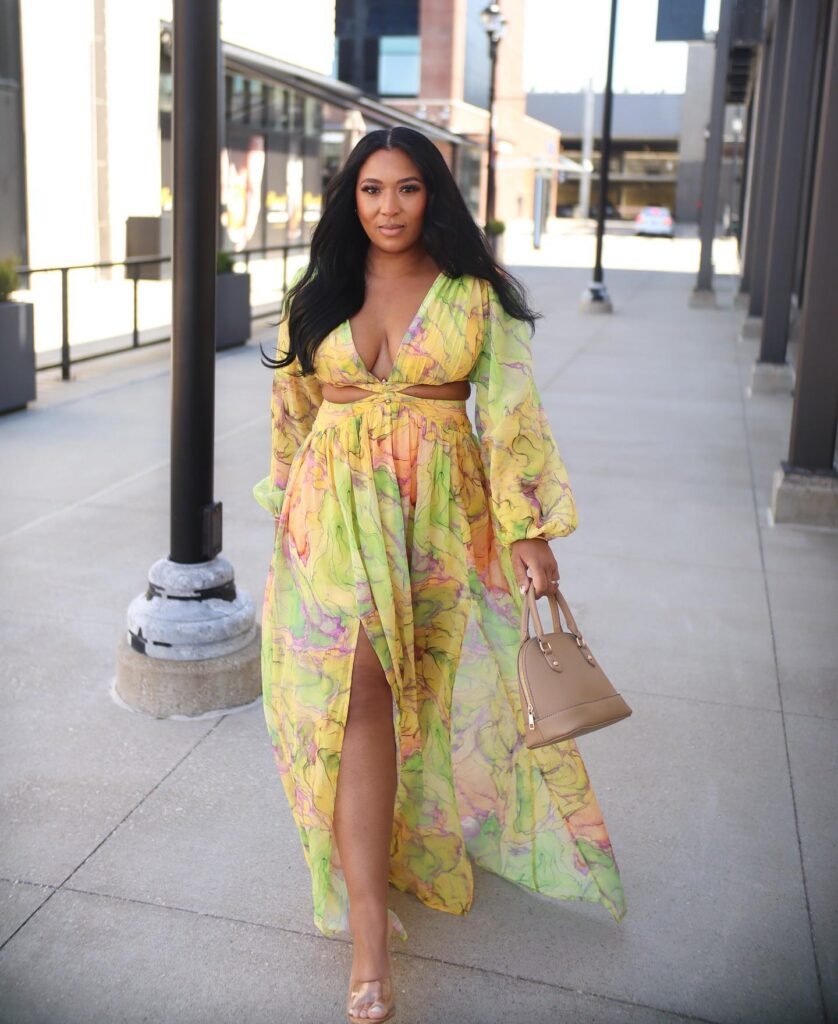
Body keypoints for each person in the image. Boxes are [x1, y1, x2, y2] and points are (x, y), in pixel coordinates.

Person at [253, 126, 626, 1023]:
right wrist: (288, 524)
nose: (389, 207)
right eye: (372, 189)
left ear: (435, 198)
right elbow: (294, 415)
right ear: (350, 197)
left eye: (409, 189)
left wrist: (532, 530)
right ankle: (372, 944)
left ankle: (405, 852)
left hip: (439, 525)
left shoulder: (473, 295)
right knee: (357, 694)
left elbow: (509, 412)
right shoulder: (315, 294)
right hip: (332, 525)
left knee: (421, 699)